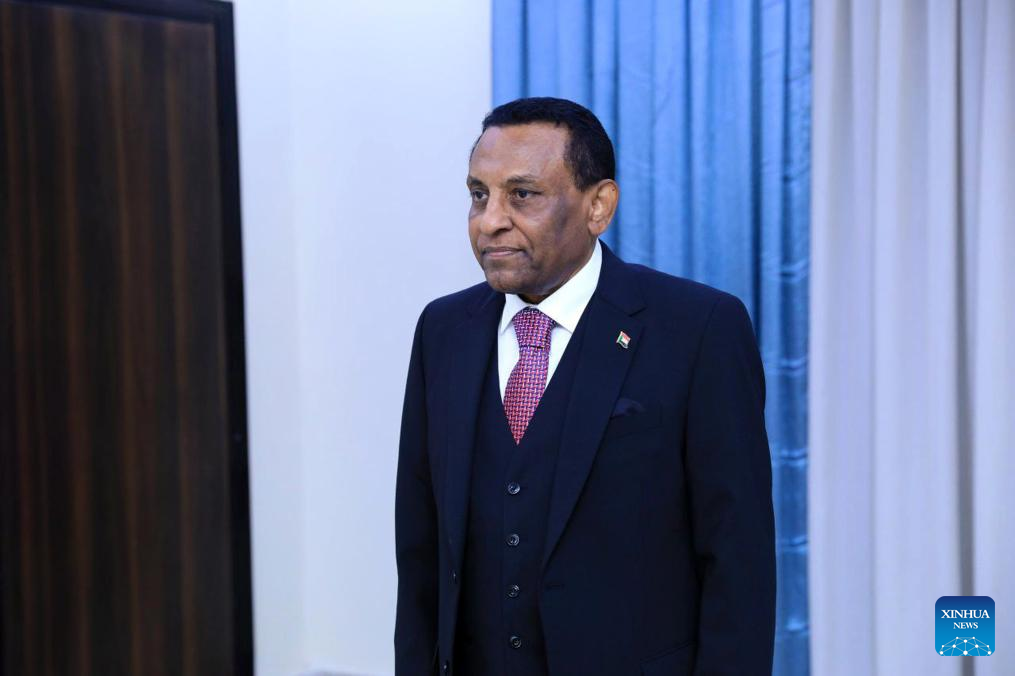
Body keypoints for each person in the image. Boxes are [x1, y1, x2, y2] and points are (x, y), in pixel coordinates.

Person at [394, 97, 775, 676]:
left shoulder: (699, 330)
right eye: (478, 194)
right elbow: (420, 551)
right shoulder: (443, 331)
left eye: (522, 195)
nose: (490, 220)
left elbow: (738, 563)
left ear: (599, 206)